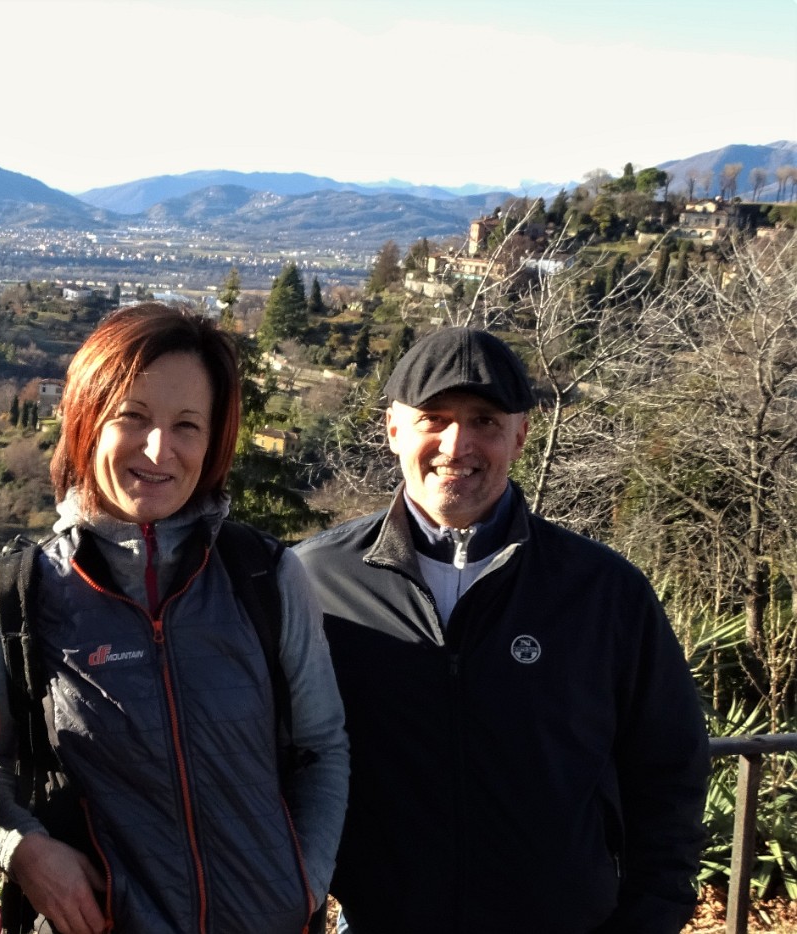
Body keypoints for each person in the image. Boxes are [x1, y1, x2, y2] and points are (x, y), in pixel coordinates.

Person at [294, 327, 710, 934]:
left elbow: (669, 767)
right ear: (392, 430)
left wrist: (651, 916)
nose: (456, 443)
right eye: (433, 418)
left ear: (520, 434)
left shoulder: (602, 591)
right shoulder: (314, 581)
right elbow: (268, 763)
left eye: (485, 421)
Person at [0, 302, 350, 934]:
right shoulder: (21, 594)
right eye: (133, 416)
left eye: (187, 425)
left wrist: (303, 882)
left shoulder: (265, 578)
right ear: (87, 420)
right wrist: (25, 850)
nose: (159, 448)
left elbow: (322, 747)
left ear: (213, 440)